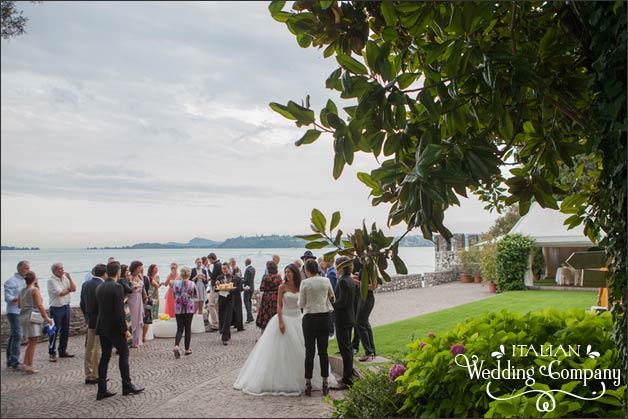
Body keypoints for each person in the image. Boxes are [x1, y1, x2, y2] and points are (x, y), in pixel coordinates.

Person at [234, 264, 337, 395]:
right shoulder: (282, 287)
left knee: (308, 350)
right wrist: (281, 321)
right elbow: (279, 304)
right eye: (286, 272)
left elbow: (303, 303)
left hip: (299, 318)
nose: (287, 274)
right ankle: (292, 380)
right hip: (286, 316)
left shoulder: (302, 285)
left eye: (289, 272)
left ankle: (311, 380)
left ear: (295, 273)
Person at [94, 261, 144, 400]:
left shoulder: (100, 287)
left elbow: (97, 308)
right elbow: (119, 311)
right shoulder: (116, 287)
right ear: (118, 272)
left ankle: (101, 389)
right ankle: (127, 385)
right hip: (115, 327)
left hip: (102, 326)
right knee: (124, 354)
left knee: (105, 357)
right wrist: (125, 330)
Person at [298, 259, 336, 396]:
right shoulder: (325, 281)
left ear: (307, 270)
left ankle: (308, 383)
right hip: (324, 317)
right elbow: (333, 297)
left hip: (309, 318)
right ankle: (325, 382)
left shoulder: (305, 283)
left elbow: (301, 303)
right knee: (323, 351)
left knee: (309, 351)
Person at [19, 271, 54, 374]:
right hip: (32, 316)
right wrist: (47, 317)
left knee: (30, 341)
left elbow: (19, 305)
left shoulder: (22, 290)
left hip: (24, 315)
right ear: (34, 279)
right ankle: (29, 365)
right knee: (33, 342)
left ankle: (25, 363)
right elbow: (39, 305)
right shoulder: (34, 290)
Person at [80, 264, 106, 384]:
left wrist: (87, 316)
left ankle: (88, 373)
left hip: (90, 319)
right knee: (98, 348)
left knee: (89, 347)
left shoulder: (86, 284)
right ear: (104, 274)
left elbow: (82, 303)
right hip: (100, 320)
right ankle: (96, 374)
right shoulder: (102, 285)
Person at [333, 257, 356, 389]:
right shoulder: (350, 280)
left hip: (343, 318)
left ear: (341, 267)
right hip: (349, 317)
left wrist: (330, 303)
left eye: (337, 265)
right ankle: (348, 375)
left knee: (345, 349)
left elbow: (342, 302)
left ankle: (347, 379)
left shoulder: (343, 281)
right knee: (347, 348)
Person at [47, 262, 77, 362]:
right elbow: (60, 293)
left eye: (63, 268)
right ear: (56, 270)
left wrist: (70, 278)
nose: (63, 270)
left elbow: (74, 288)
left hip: (66, 306)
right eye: (60, 269)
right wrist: (68, 290)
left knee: (65, 330)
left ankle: (62, 350)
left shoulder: (65, 278)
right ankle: (52, 352)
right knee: (54, 331)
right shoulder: (51, 280)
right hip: (56, 308)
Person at [5, 260, 29, 371]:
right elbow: (7, 298)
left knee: (14, 335)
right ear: (20, 269)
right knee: (18, 335)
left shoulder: (25, 281)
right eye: (26, 268)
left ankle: (10, 359)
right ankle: (14, 361)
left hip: (22, 311)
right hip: (13, 312)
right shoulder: (11, 281)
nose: (28, 271)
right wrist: (19, 299)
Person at [172, 267, 197, 358]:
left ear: (181, 274)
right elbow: (195, 295)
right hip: (189, 308)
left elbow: (173, 295)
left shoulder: (176, 283)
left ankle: (176, 346)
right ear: (189, 274)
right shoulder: (192, 283)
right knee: (188, 328)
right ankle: (187, 349)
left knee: (179, 328)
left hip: (178, 308)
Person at [256, 261, 283, 332]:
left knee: (266, 314)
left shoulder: (265, 277)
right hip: (276, 297)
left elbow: (261, 288)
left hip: (267, 298)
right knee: (275, 314)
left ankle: (265, 332)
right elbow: (281, 286)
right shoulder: (278, 276)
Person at [214, 262, 236, 345]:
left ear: (228, 268)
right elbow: (216, 289)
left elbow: (235, 289)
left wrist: (230, 289)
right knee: (222, 316)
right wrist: (216, 285)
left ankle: (225, 338)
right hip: (222, 299)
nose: (224, 270)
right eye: (223, 269)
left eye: (225, 268)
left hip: (230, 299)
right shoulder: (219, 277)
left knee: (228, 317)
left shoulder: (232, 277)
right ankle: (226, 333)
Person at [128, 261, 146, 348]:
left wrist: (145, 296)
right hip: (132, 300)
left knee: (139, 318)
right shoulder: (129, 277)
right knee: (133, 318)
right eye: (139, 267)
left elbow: (143, 288)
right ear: (135, 268)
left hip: (139, 299)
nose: (141, 269)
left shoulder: (140, 276)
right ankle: (131, 339)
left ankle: (137, 340)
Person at [119, 264, 134, 346]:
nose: (128, 272)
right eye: (127, 270)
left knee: (127, 322)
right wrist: (130, 281)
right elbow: (129, 290)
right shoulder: (122, 280)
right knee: (126, 322)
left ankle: (127, 342)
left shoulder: (121, 280)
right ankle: (126, 342)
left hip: (125, 302)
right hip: (124, 303)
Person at [206, 253, 221, 332]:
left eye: (209, 259)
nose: (209, 261)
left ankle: (215, 325)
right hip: (218, 288)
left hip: (215, 288)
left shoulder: (217, 265)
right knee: (217, 306)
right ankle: (220, 323)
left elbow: (212, 277)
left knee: (211, 305)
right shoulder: (219, 264)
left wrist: (208, 269)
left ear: (211, 259)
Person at [325, 259, 337, 339]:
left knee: (332, 317)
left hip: (331, 299)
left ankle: (332, 333)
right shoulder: (331, 271)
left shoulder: (331, 272)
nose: (324, 262)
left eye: (326, 261)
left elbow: (331, 288)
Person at [231, 262, 245, 332]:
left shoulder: (232, 278)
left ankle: (234, 323)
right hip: (237, 295)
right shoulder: (239, 279)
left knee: (233, 310)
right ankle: (239, 326)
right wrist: (244, 289)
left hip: (232, 295)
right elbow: (240, 289)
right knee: (239, 311)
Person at [242, 259, 256, 324]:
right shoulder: (253, 269)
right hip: (252, 287)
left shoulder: (247, 270)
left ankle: (250, 317)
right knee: (249, 302)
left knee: (246, 301)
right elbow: (249, 279)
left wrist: (239, 280)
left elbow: (246, 280)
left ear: (246, 262)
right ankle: (249, 318)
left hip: (247, 288)